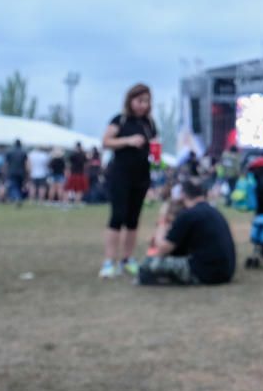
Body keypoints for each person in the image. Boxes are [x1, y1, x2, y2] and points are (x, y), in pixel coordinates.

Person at [101, 83, 158, 279]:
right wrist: (128, 141)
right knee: (117, 217)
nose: (143, 105)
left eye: (146, 101)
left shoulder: (149, 123)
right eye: (139, 100)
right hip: (120, 176)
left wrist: (157, 154)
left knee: (133, 220)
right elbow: (106, 141)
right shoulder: (120, 120)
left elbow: (154, 146)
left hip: (141, 176)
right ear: (130, 100)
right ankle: (109, 261)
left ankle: (128, 258)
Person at [137, 179, 236, 286]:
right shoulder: (213, 211)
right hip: (226, 272)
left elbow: (162, 249)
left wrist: (162, 219)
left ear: (183, 195)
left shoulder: (188, 215)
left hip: (206, 273)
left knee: (148, 264)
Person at [3, 139, 28, 206]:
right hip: (21, 172)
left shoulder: (9, 152)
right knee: (19, 186)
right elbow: (26, 164)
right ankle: (18, 198)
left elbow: (6, 164)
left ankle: (17, 198)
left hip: (12, 172)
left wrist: (4, 171)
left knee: (14, 186)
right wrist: (27, 173)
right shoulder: (23, 152)